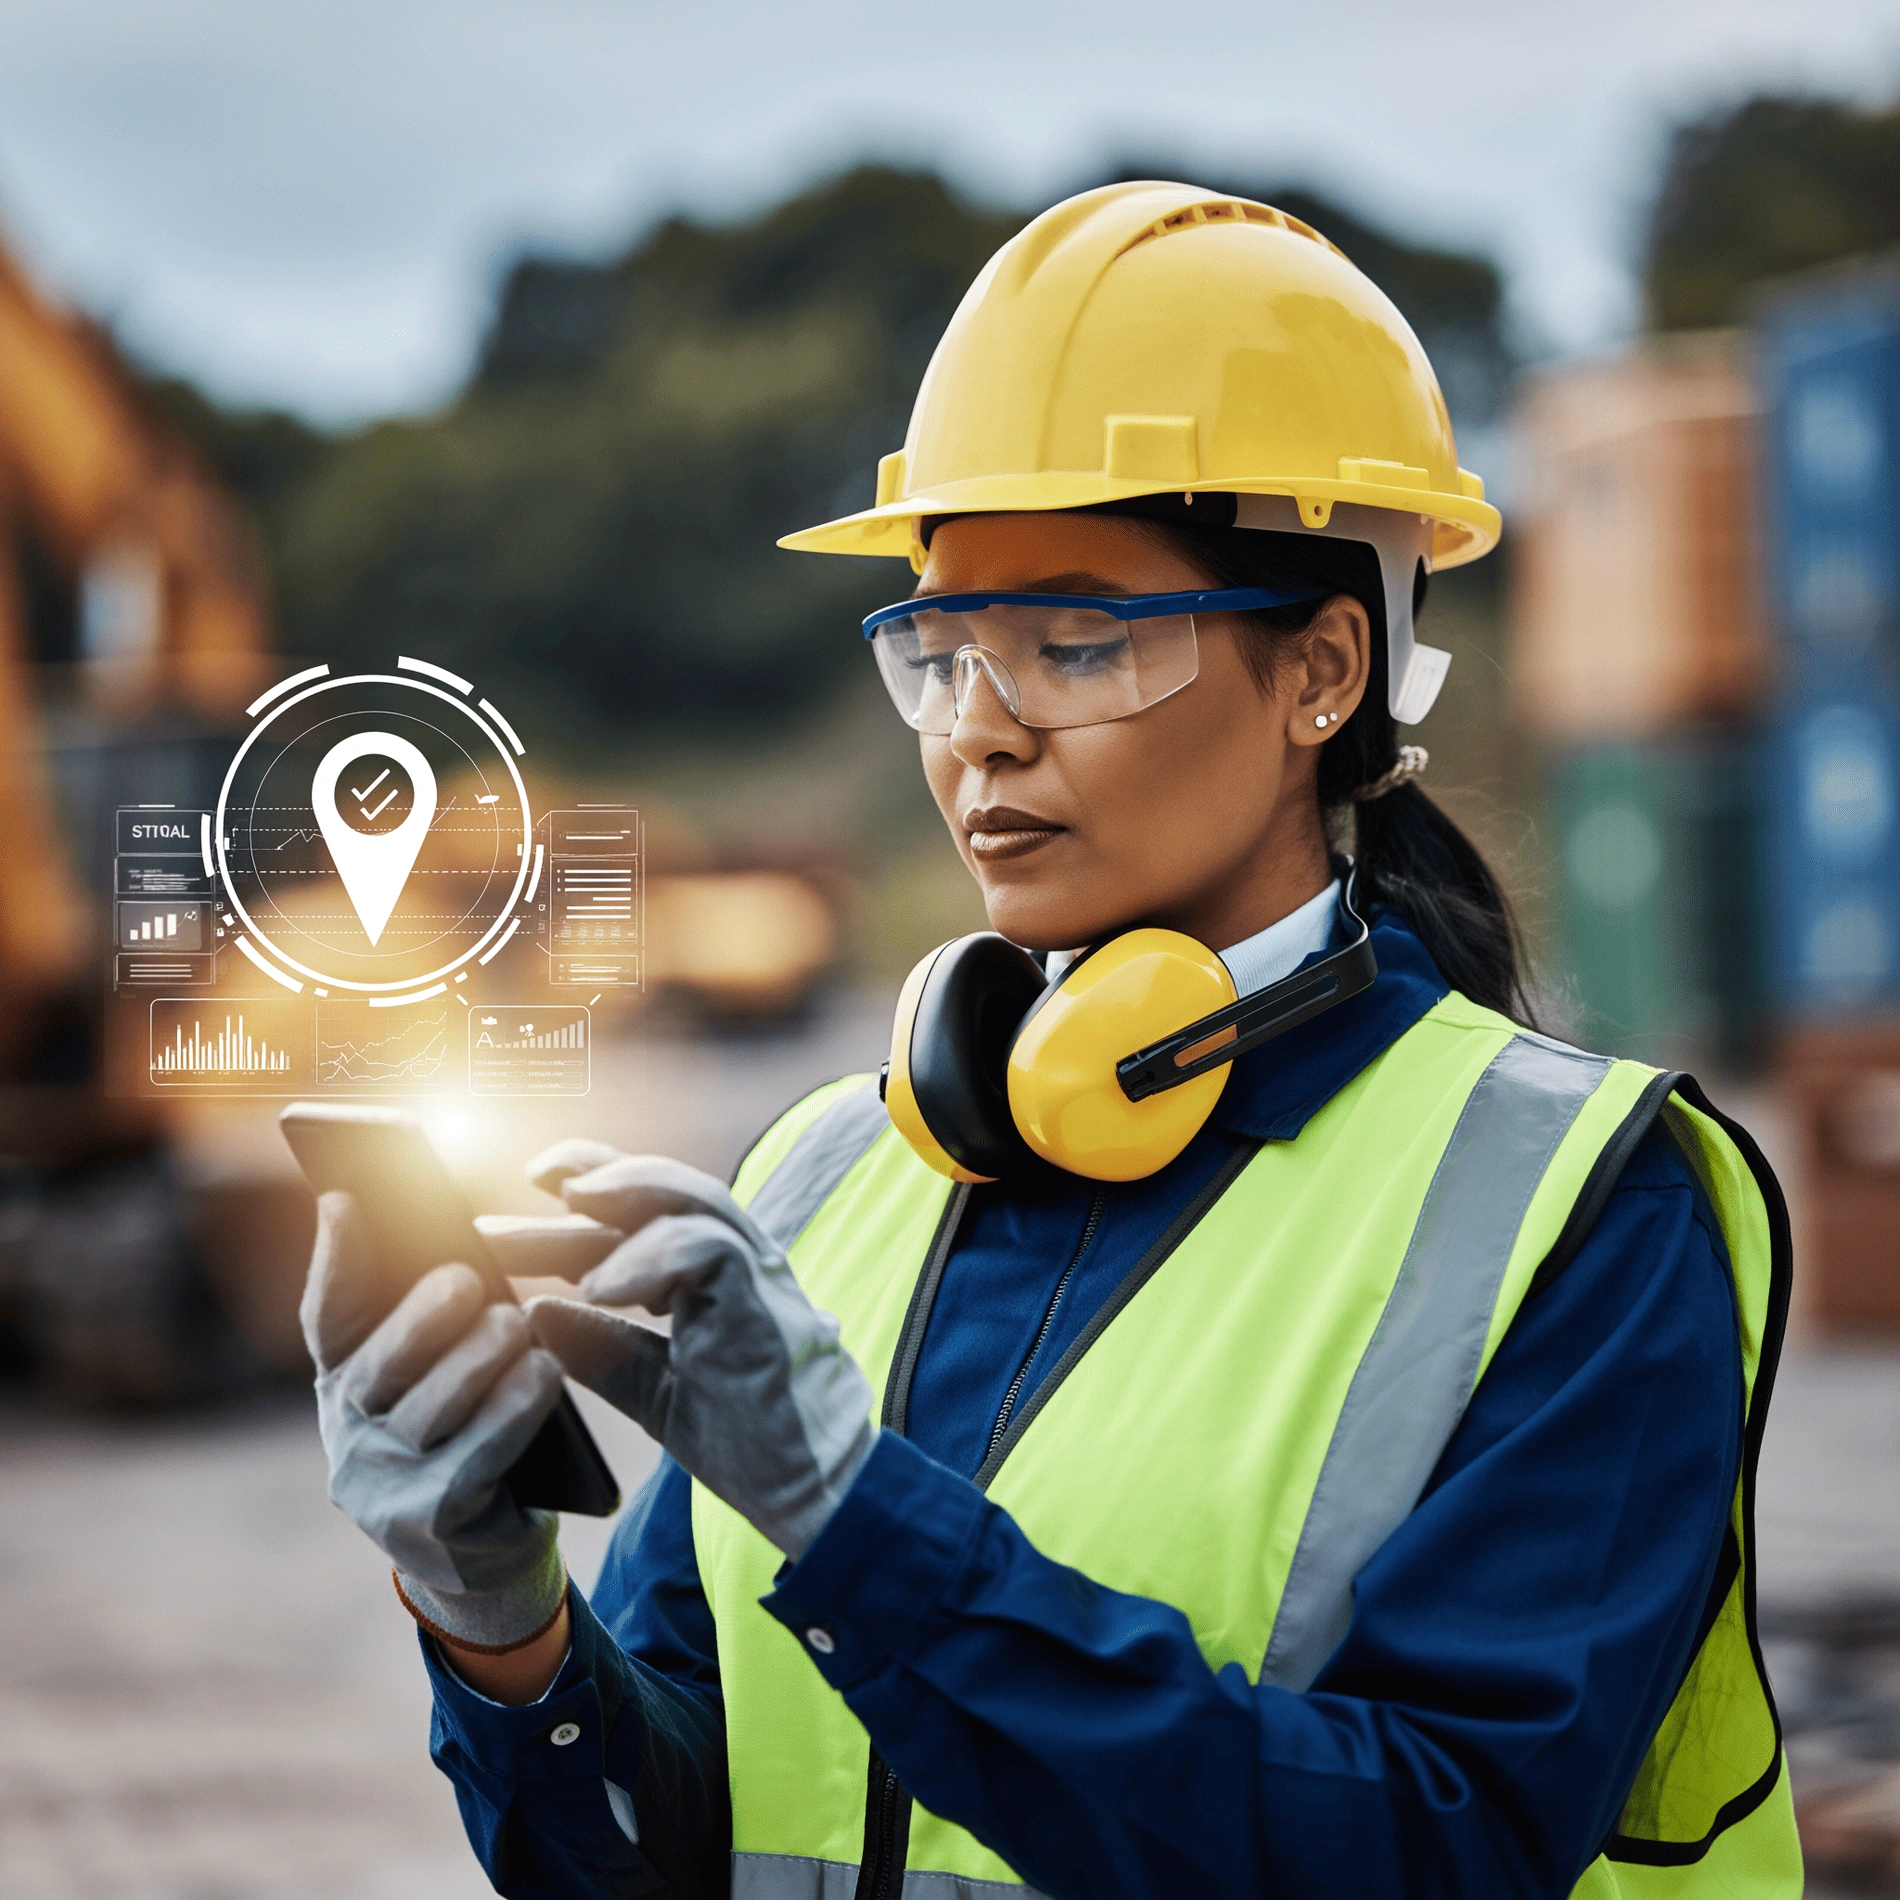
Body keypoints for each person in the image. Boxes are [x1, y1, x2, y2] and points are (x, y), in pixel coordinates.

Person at [301, 181, 1799, 1899]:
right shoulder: (825, 1172)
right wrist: (500, 1631)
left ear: (1324, 671)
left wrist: (860, 1531)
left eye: (1075, 645)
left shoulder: (1583, 1212)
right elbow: (678, 1852)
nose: (980, 738)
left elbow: (1423, 1850)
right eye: (938, 651)